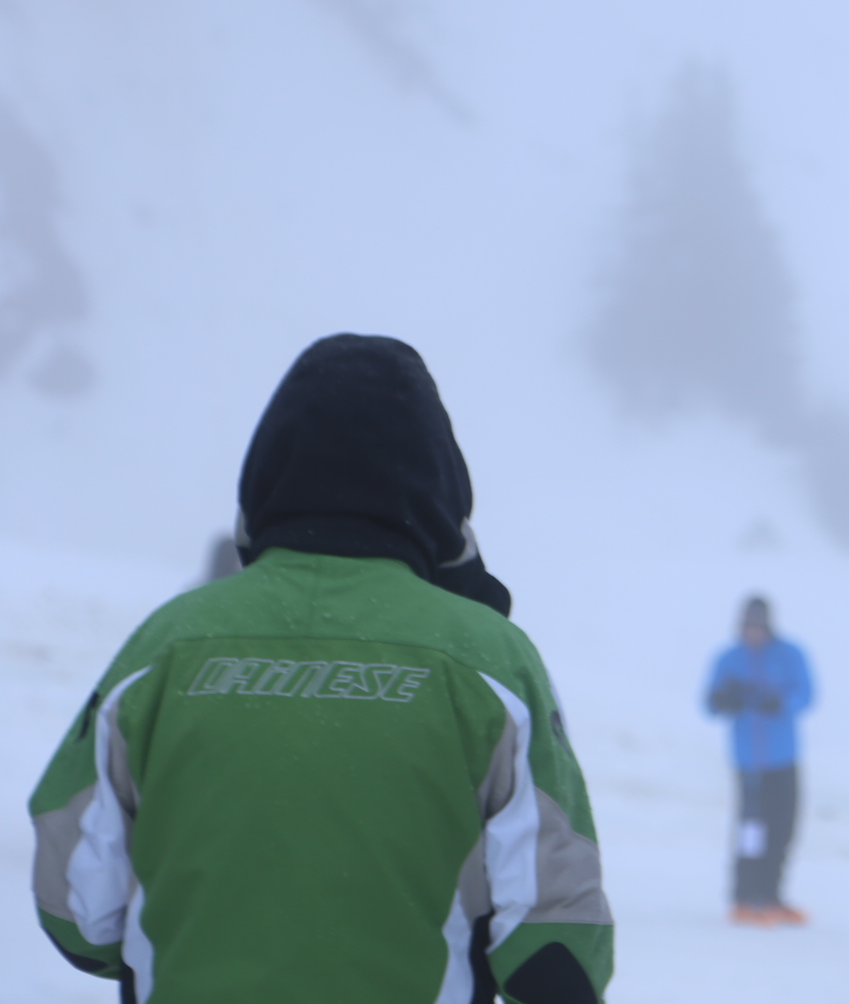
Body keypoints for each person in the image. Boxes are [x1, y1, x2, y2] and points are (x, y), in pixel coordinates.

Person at [28, 334, 613, 1002]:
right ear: (441, 489)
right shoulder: (488, 658)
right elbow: (557, 939)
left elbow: (75, 907)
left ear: (265, 479)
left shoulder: (167, 644)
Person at [705, 595, 813, 926]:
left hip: (783, 758)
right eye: (748, 625)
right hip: (748, 762)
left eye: (759, 625)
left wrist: (779, 702)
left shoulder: (789, 655)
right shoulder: (729, 659)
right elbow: (710, 703)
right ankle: (744, 897)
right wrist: (724, 699)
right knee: (751, 830)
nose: (753, 631)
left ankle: (772, 897)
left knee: (782, 828)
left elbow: (806, 694)